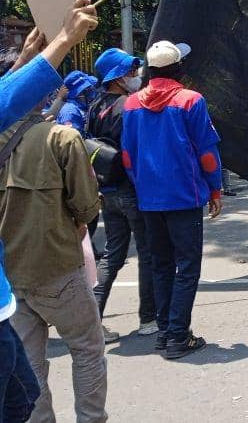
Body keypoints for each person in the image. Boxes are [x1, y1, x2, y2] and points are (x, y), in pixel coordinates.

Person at [0, 1, 96, 422]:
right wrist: (62, 40)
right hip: (57, 269)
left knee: (26, 376)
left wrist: (31, 58)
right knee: (88, 350)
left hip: (13, 276)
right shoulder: (63, 138)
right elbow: (87, 205)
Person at [121, 40, 223, 359]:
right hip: (184, 196)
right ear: (179, 68)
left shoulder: (131, 104)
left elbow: (127, 156)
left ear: (151, 70)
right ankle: (178, 335)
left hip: (150, 198)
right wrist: (215, 188)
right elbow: (207, 152)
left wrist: (144, 186)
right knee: (187, 266)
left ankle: (165, 332)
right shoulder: (191, 100)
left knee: (161, 265)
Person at [88, 48, 157, 344]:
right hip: (130, 189)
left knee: (112, 256)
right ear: (117, 77)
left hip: (106, 190)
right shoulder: (127, 105)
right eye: (130, 71)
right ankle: (148, 319)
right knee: (148, 254)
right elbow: (138, 148)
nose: (134, 76)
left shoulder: (93, 107)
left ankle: (92, 323)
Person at [55, 70, 98, 134]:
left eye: (90, 88)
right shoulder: (70, 111)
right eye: (87, 90)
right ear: (79, 94)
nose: (91, 92)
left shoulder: (82, 106)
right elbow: (72, 141)